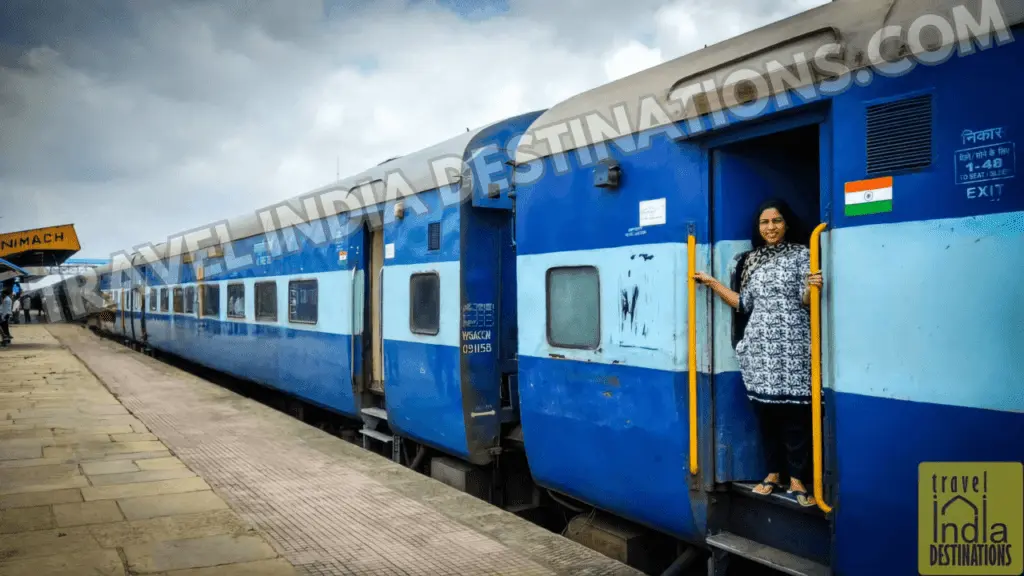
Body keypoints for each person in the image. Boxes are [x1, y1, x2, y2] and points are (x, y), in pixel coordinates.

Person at [693, 198, 823, 507]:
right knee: (766, 416)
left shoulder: (803, 254)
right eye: (765, 223)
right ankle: (772, 473)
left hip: (793, 347)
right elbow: (744, 304)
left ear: (786, 224)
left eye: (776, 221)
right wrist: (712, 282)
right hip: (759, 351)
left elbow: (805, 301)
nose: (771, 227)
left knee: (796, 416)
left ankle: (797, 480)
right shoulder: (751, 260)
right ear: (759, 228)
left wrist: (813, 287)